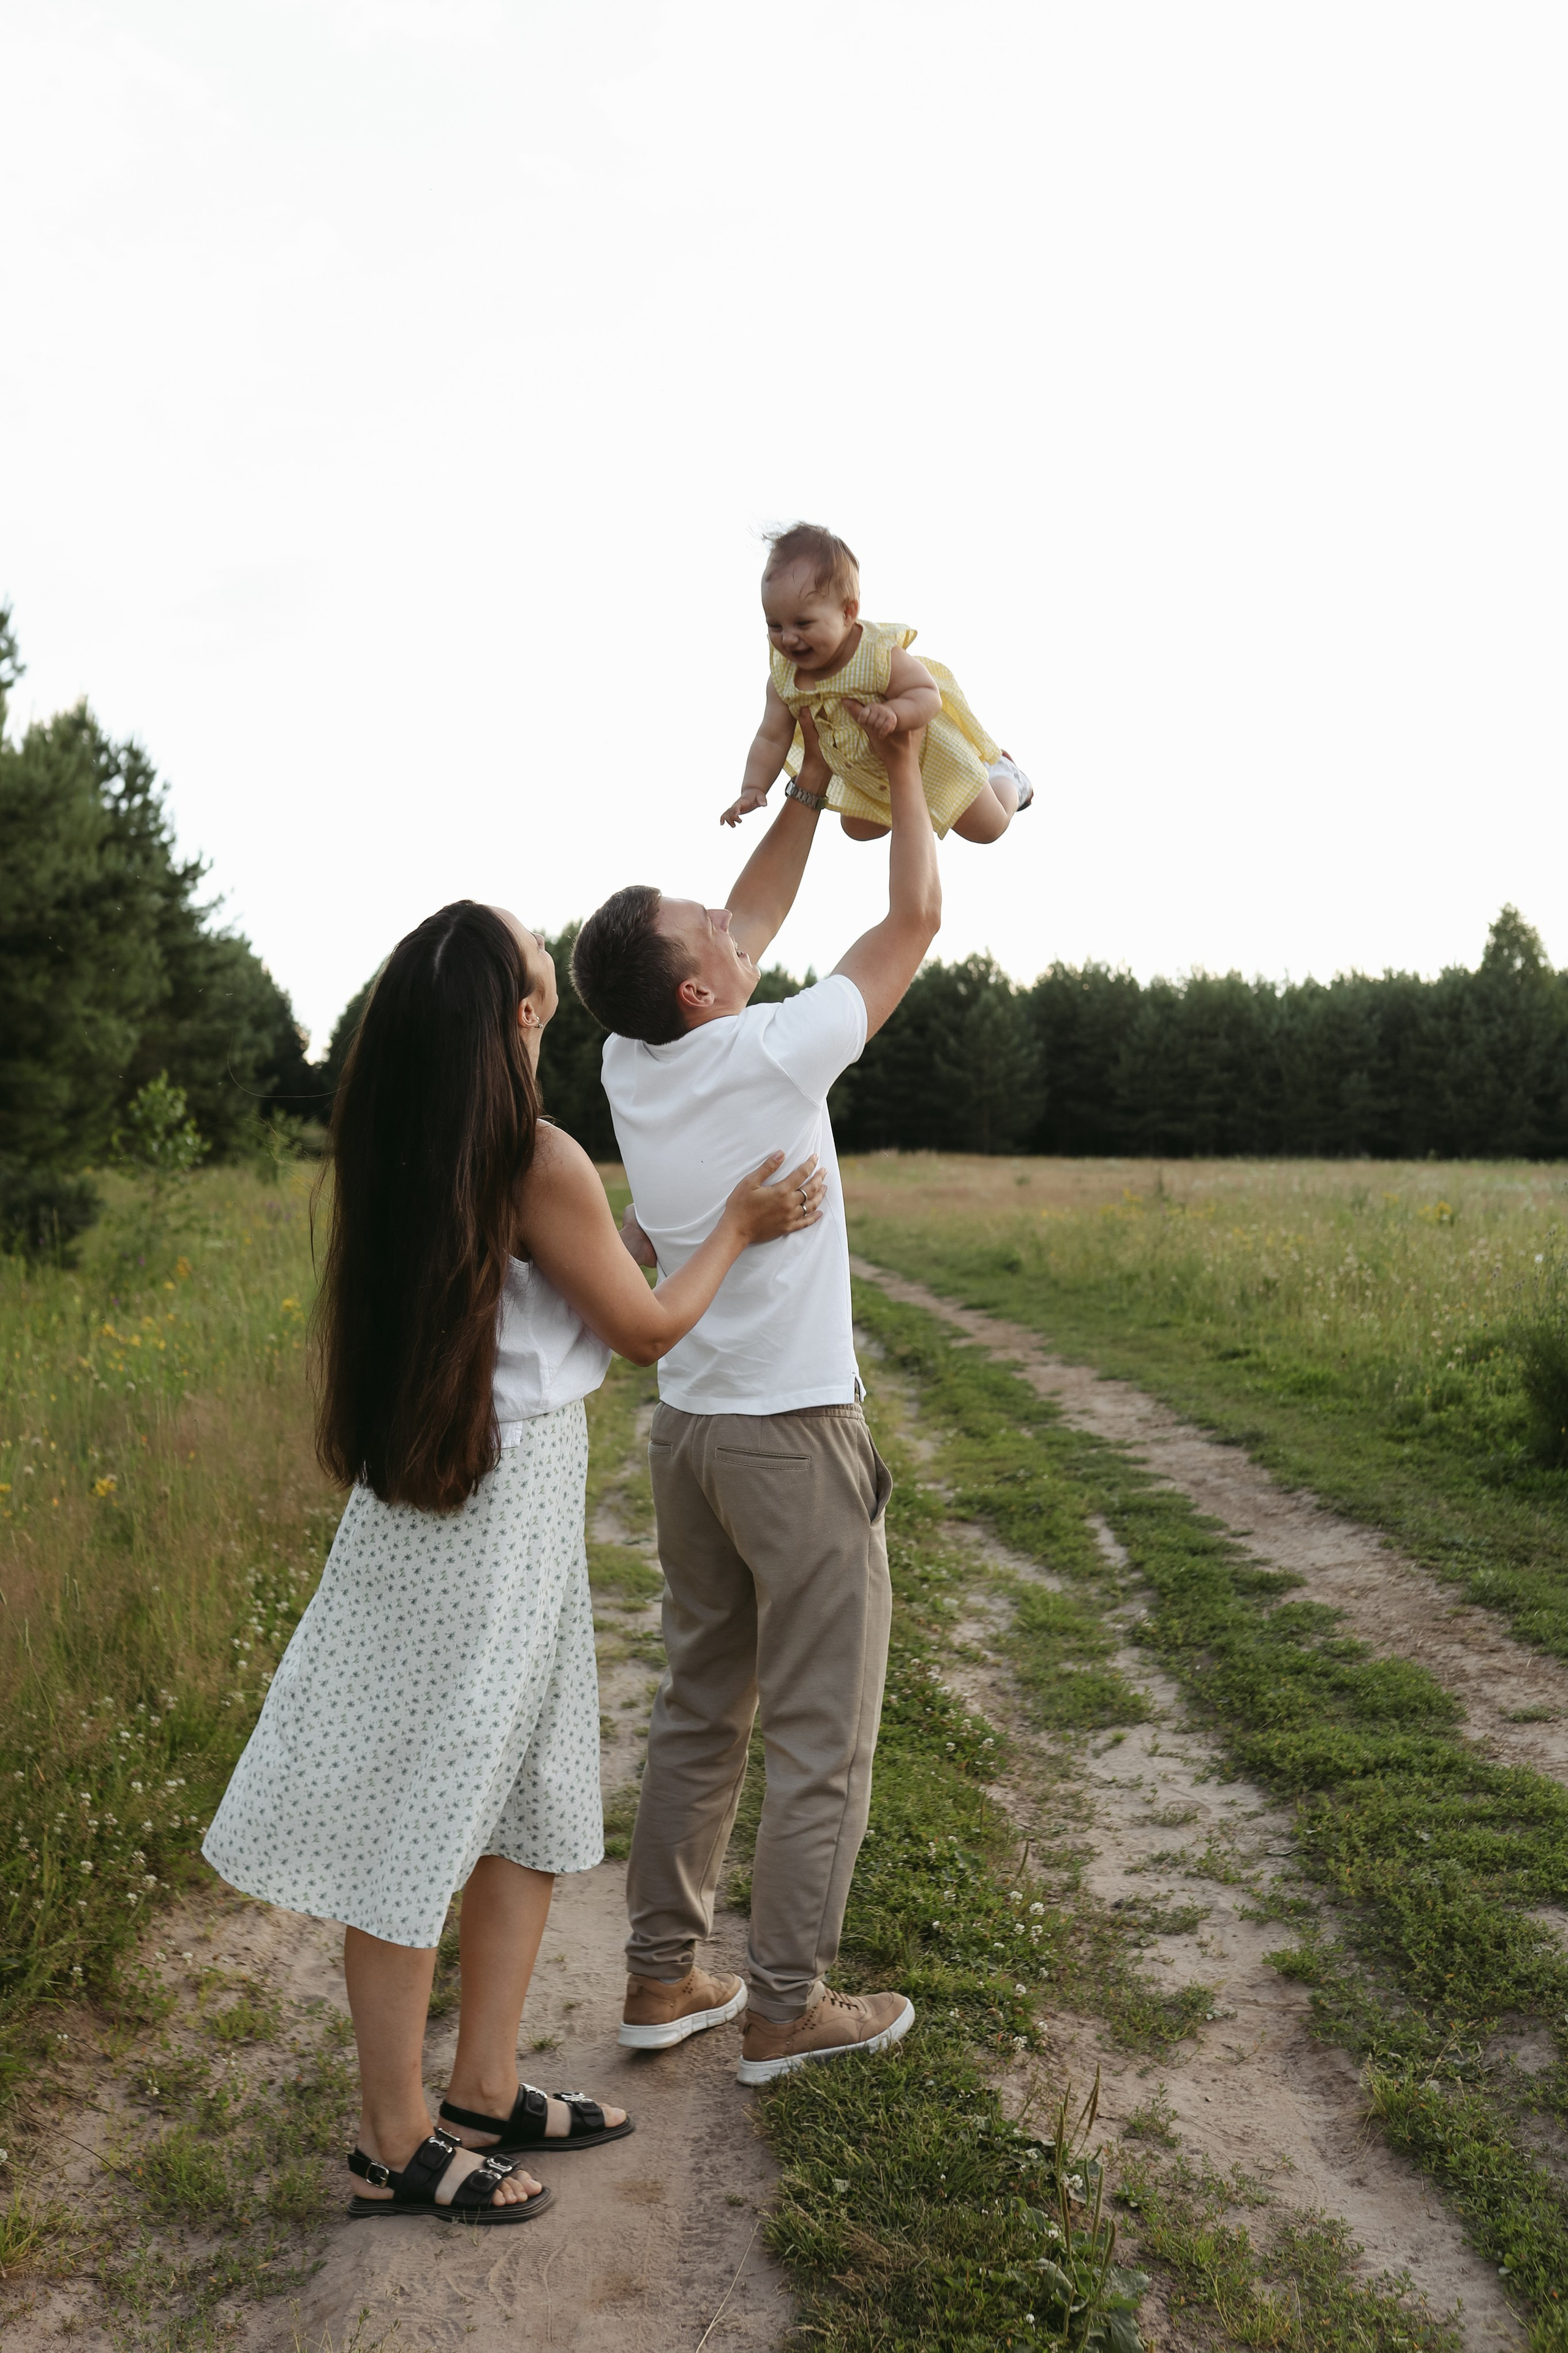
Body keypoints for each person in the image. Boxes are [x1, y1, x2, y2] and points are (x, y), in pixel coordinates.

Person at [203, 901, 825, 2223]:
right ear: (524, 1019)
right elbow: (649, 1329)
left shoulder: (416, 1137)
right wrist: (740, 1226)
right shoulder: (535, 1152)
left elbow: (559, 1285)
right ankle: (392, 2133)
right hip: (480, 1525)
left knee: (531, 1797)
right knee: (421, 1821)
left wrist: (648, 1238)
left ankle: (483, 2082)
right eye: (542, 977)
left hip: (486, 1498)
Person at [570, 712, 940, 2083]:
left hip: (691, 1442)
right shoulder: (771, 1050)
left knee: (698, 1701)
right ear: (702, 993)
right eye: (711, 937)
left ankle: (663, 1978)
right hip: (791, 1435)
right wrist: (899, 766)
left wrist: (799, 783)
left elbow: (749, 917)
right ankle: (785, 2005)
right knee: (818, 1728)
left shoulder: (629, 1060)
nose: (732, 931)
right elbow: (909, 917)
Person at [721, 520, 1033, 844]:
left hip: (930, 756)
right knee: (857, 830)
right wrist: (753, 787)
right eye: (775, 625)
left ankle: (1006, 775)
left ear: (848, 612)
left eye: (803, 623)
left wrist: (896, 712)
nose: (788, 639)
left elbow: (928, 694)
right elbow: (771, 737)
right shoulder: (785, 678)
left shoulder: (876, 654)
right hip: (866, 768)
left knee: (988, 828)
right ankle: (909, 807)